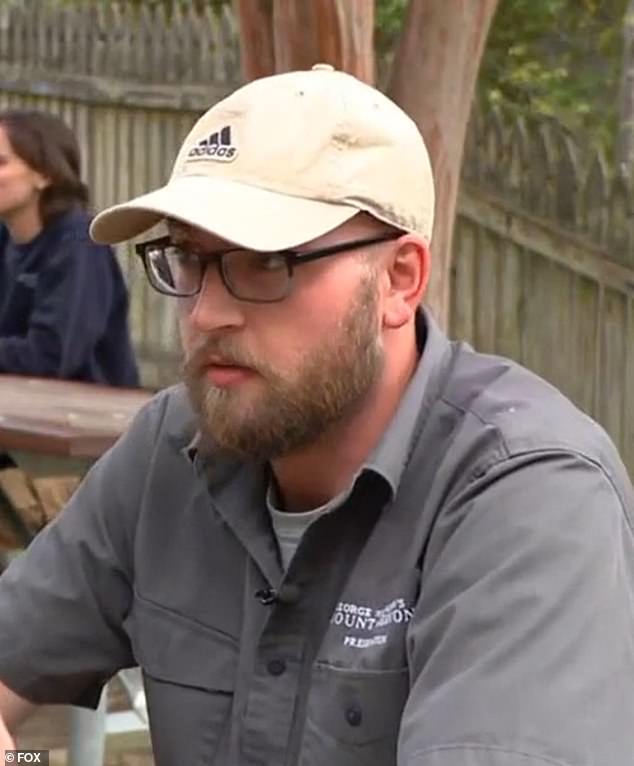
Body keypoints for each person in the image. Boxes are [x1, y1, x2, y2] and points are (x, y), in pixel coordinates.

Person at [0, 64, 631, 766]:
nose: (206, 312)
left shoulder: (529, 497)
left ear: (399, 280)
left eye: (267, 261)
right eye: (188, 259)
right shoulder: (174, 447)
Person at [0, 110, 139, 387]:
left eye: (1, 162)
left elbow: (51, 357)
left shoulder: (79, 246)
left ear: (45, 174)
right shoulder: (4, 237)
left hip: (92, 421)